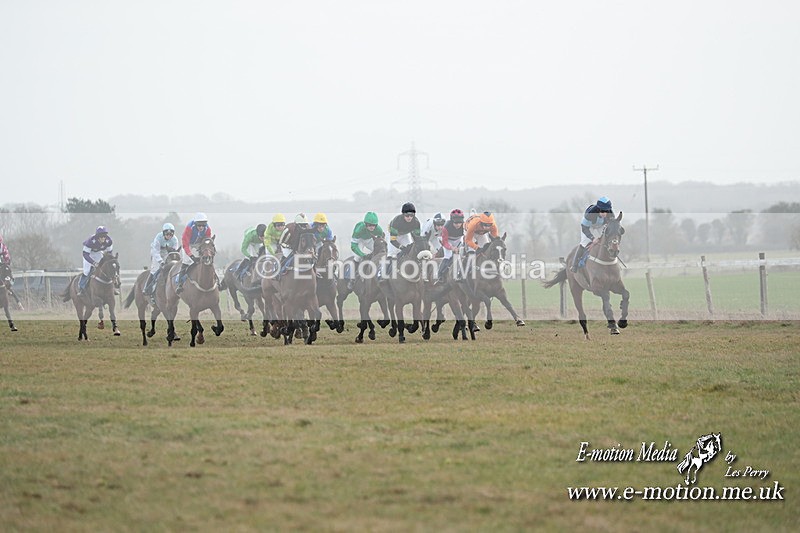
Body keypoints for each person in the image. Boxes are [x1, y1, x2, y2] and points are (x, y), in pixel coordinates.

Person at [571, 196, 614, 273]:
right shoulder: (590, 214)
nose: (605, 213)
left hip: (601, 226)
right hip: (588, 226)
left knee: (606, 240)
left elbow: (612, 224)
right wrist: (592, 238)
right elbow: (584, 228)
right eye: (603, 211)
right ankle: (574, 265)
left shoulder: (610, 214)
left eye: (606, 211)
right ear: (598, 209)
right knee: (584, 243)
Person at [345, 212, 385, 290]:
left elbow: (380, 242)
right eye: (369, 225)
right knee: (358, 257)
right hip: (359, 240)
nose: (372, 227)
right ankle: (352, 279)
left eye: (373, 225)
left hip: (370, 240)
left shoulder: (379, 230)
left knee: (379, 255)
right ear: (365, 224)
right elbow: (353, 246)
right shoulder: (359, 229)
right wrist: (362, 254)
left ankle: (380, 274)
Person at [176, 213, 212, 294]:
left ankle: (216, 280)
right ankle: (179, 284)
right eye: (199, 225)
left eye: (203, 225)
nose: (201, 227)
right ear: (195, 224)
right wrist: (191, 256)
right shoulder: (189, 227)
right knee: (186, 262)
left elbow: (207, 242)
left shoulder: (208, 229)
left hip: (199, 244)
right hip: (188, 244)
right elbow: (185, 244)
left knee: (206, 260)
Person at [143, 223, 179, 301]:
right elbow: (156, 252)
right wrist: (161, 262)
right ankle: (147, 288)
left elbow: (174, 252)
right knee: (155, 270)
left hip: (167, 253)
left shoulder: (175, 239)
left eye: (170, 234)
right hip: (157, 252)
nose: (169, 236)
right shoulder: (158, 238)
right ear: (163, 233)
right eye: (167, 234)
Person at [77, 225, 114, 296]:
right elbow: (85, 254)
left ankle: (112, 287)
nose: (103, 238)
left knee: (106, 267)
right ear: (97, 237)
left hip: (98, 253)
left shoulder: (109, 241)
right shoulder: (90, 241)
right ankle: (81, 288)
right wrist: (93, 263)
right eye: (101, 236)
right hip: (89, 254)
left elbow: (109, 253)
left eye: (104, 236)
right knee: (87, 271)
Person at [436, 209, 465, 284]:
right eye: (456, 223)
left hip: (459, 240)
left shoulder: (465, 226)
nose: (458, 225)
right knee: (448, 256)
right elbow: (445, 242)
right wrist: (452, 248)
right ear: (452, 221)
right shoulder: (446, 227)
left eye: (460, 222)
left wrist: (462, 247)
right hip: (448, 241)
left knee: (461, 255)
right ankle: (440, 275)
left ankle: (460, 274)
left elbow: (465, 238)